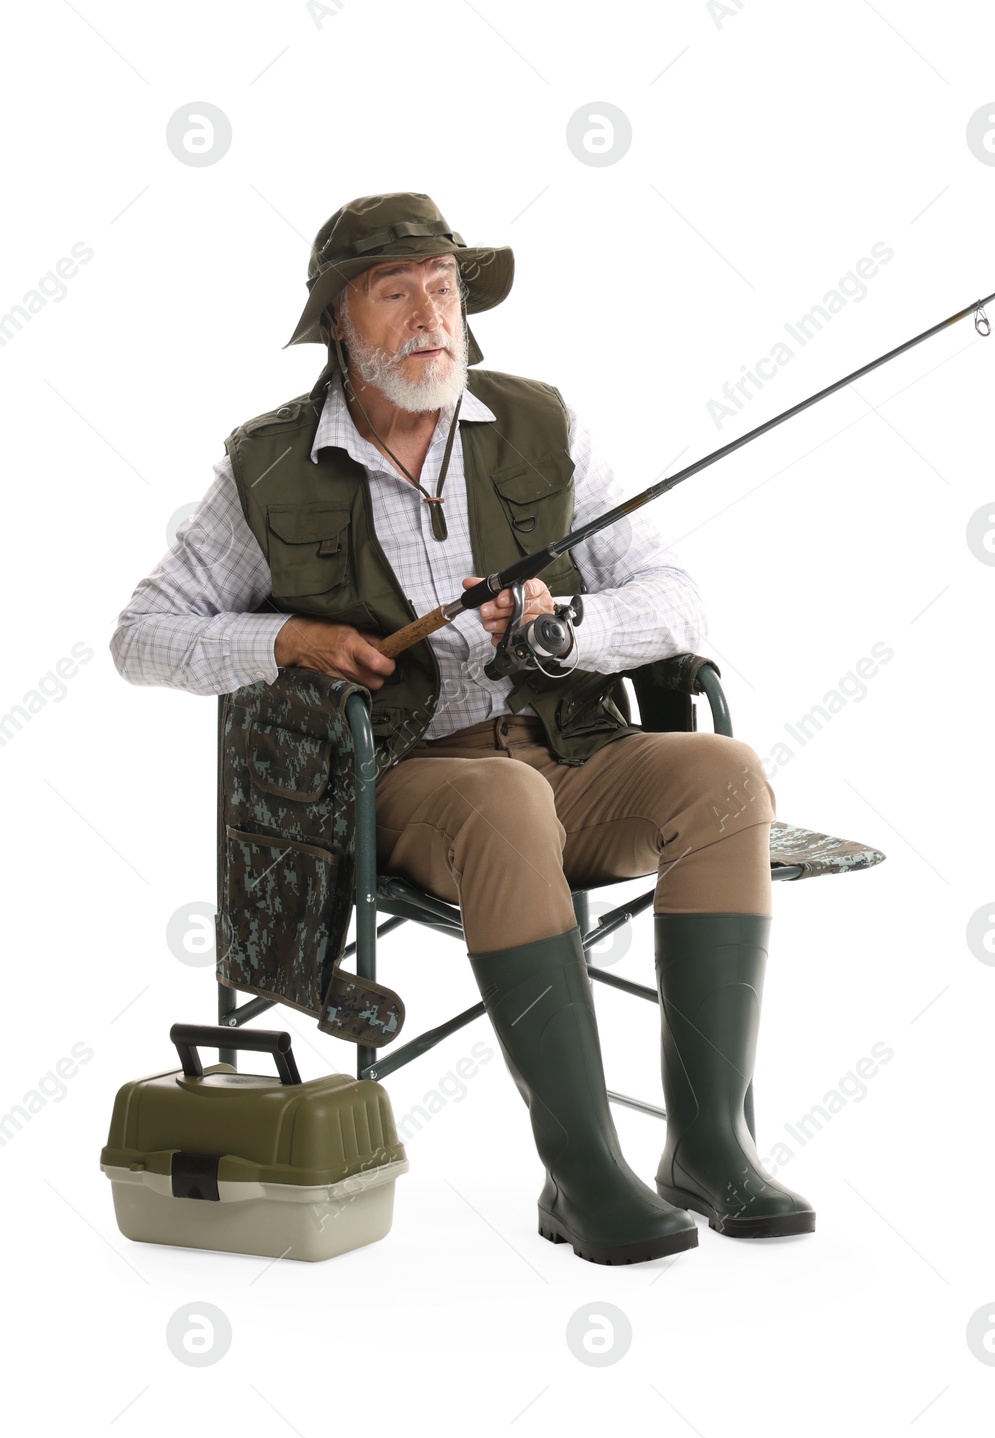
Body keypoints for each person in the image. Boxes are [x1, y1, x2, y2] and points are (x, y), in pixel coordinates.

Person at [111, 192, 814, 1265]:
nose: (430, 313)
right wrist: (288, 639)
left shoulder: (542, 423)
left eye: (443, 288)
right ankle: (582, 1172)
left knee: (724, 771)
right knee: (499, 798)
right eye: (396, 292)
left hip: (571, 756)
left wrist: (564, 628)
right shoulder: (264, 464)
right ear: (340, 323)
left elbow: (675, 597)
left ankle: (710, 1148)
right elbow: (140, 637)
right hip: (406, 781)